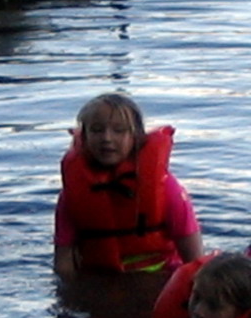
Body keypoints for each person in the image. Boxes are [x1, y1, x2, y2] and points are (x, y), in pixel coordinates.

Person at [54, 92, 203, 277]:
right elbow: (64, 265)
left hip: (159, 281)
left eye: (119, 130)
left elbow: (195, 261)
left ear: (137, 137)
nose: (107, 138)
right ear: (84, 137)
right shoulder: (72, 193)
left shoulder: (167, 188)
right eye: (97, 130)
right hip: (99, 282)